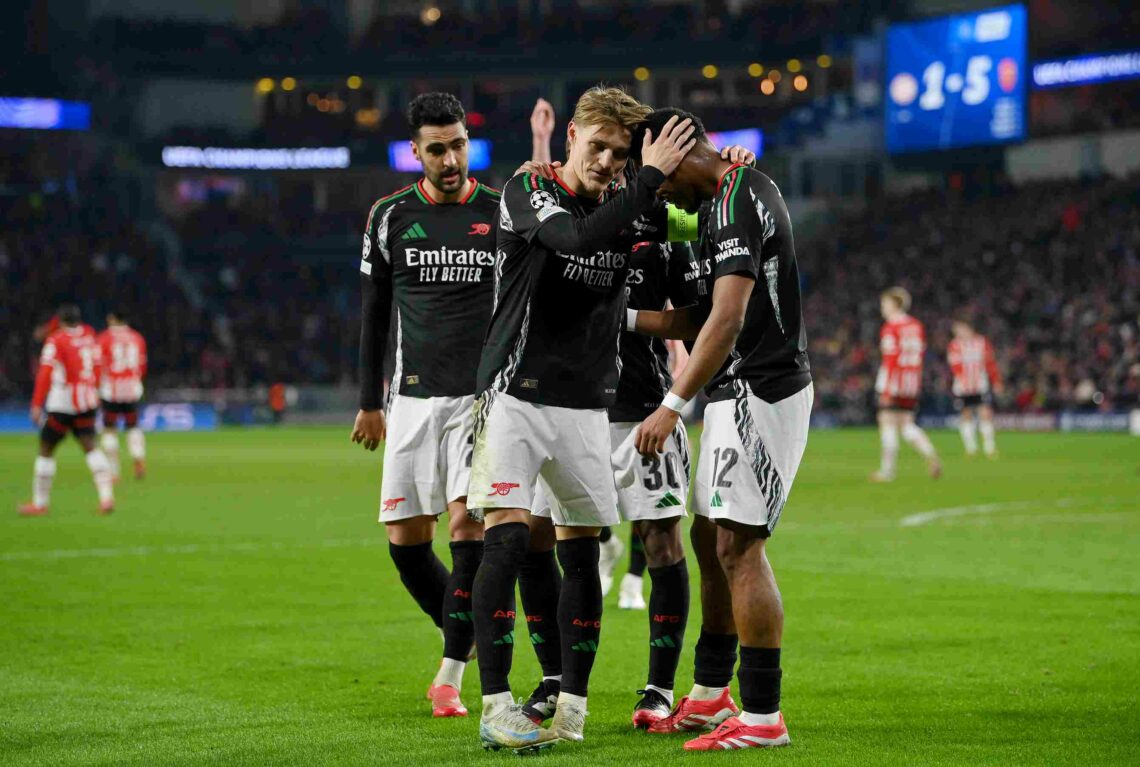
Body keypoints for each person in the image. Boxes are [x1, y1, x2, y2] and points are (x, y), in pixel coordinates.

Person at [467, 88, 696, 752]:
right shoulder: (531, 191)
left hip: (587, 406)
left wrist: (730, 169)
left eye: (619, 153)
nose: (605, 161)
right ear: (569, 135)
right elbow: (573, 237)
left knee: (582, 552)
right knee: (507, 539)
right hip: (514, 393)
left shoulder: (638, 208)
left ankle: (571, 706)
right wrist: (647, 180)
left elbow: (697, 220)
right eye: (596, 145)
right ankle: (495, 703)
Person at [626, 107, 812, 751]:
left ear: (677, 150)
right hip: (735, 394)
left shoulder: (738, 196)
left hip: (762, 388)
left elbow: (727, 321)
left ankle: (763, 718)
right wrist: (625, 319)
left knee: (738, 548)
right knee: (708, 542)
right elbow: (699, 315)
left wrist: (671, 404)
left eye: (655, 173)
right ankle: (710, 694)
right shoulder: (718, 204)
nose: (657, 188)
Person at [350, 92, 499, 718]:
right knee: (406, 543)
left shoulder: (499, 211)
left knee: (467, 530)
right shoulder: (388, 217)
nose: (449, 157)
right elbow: (375, 315)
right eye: (436, 148)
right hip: (409, 399)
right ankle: (469, 627)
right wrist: (369, 402)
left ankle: (451, 674)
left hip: (480, 399)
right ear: (416, 152)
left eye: (458, 144)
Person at [19, 305, 115, 516]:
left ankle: (40, 503)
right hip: (87, 401)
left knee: (46, 449)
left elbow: (45, 373)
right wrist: (96, 391)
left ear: (60, 322)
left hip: (62, 404)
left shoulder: (56, 341)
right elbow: (99, 367)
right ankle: (107, 498)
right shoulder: (90, 335)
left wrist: (36, 404)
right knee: (91, 447)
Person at [871, 287, 941, 481]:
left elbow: (891, 359)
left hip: (894, 382)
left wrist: (887, 388)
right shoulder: (916, 326)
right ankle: (930, 454)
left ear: (895, 304)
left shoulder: (891, 327)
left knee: (887, 421)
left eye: (885, 304)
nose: (882, 308)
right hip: (911, 382)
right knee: (907, 424)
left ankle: (887, 471)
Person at [97, 310, 148, 481]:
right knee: (132, 426)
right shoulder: (137, 338)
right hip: (132, 389)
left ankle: (113, 471)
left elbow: (98, 365)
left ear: (112, 319)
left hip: (110, 390)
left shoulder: (104, 338)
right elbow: (142, 366)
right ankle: (138, 459)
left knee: (109, 429)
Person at [948, 318, 1002, 457]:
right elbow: (954, 366)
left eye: (959, 328)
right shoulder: (954, 345)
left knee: (985, 413)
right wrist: (965, 379)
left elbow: (990, 363)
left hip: (980, 385)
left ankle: (990, 448)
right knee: (966, 415)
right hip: (962, 387)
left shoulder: (982, 342)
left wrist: (996, 381)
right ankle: (971, 448)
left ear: (968, 327)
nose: (957, 332)